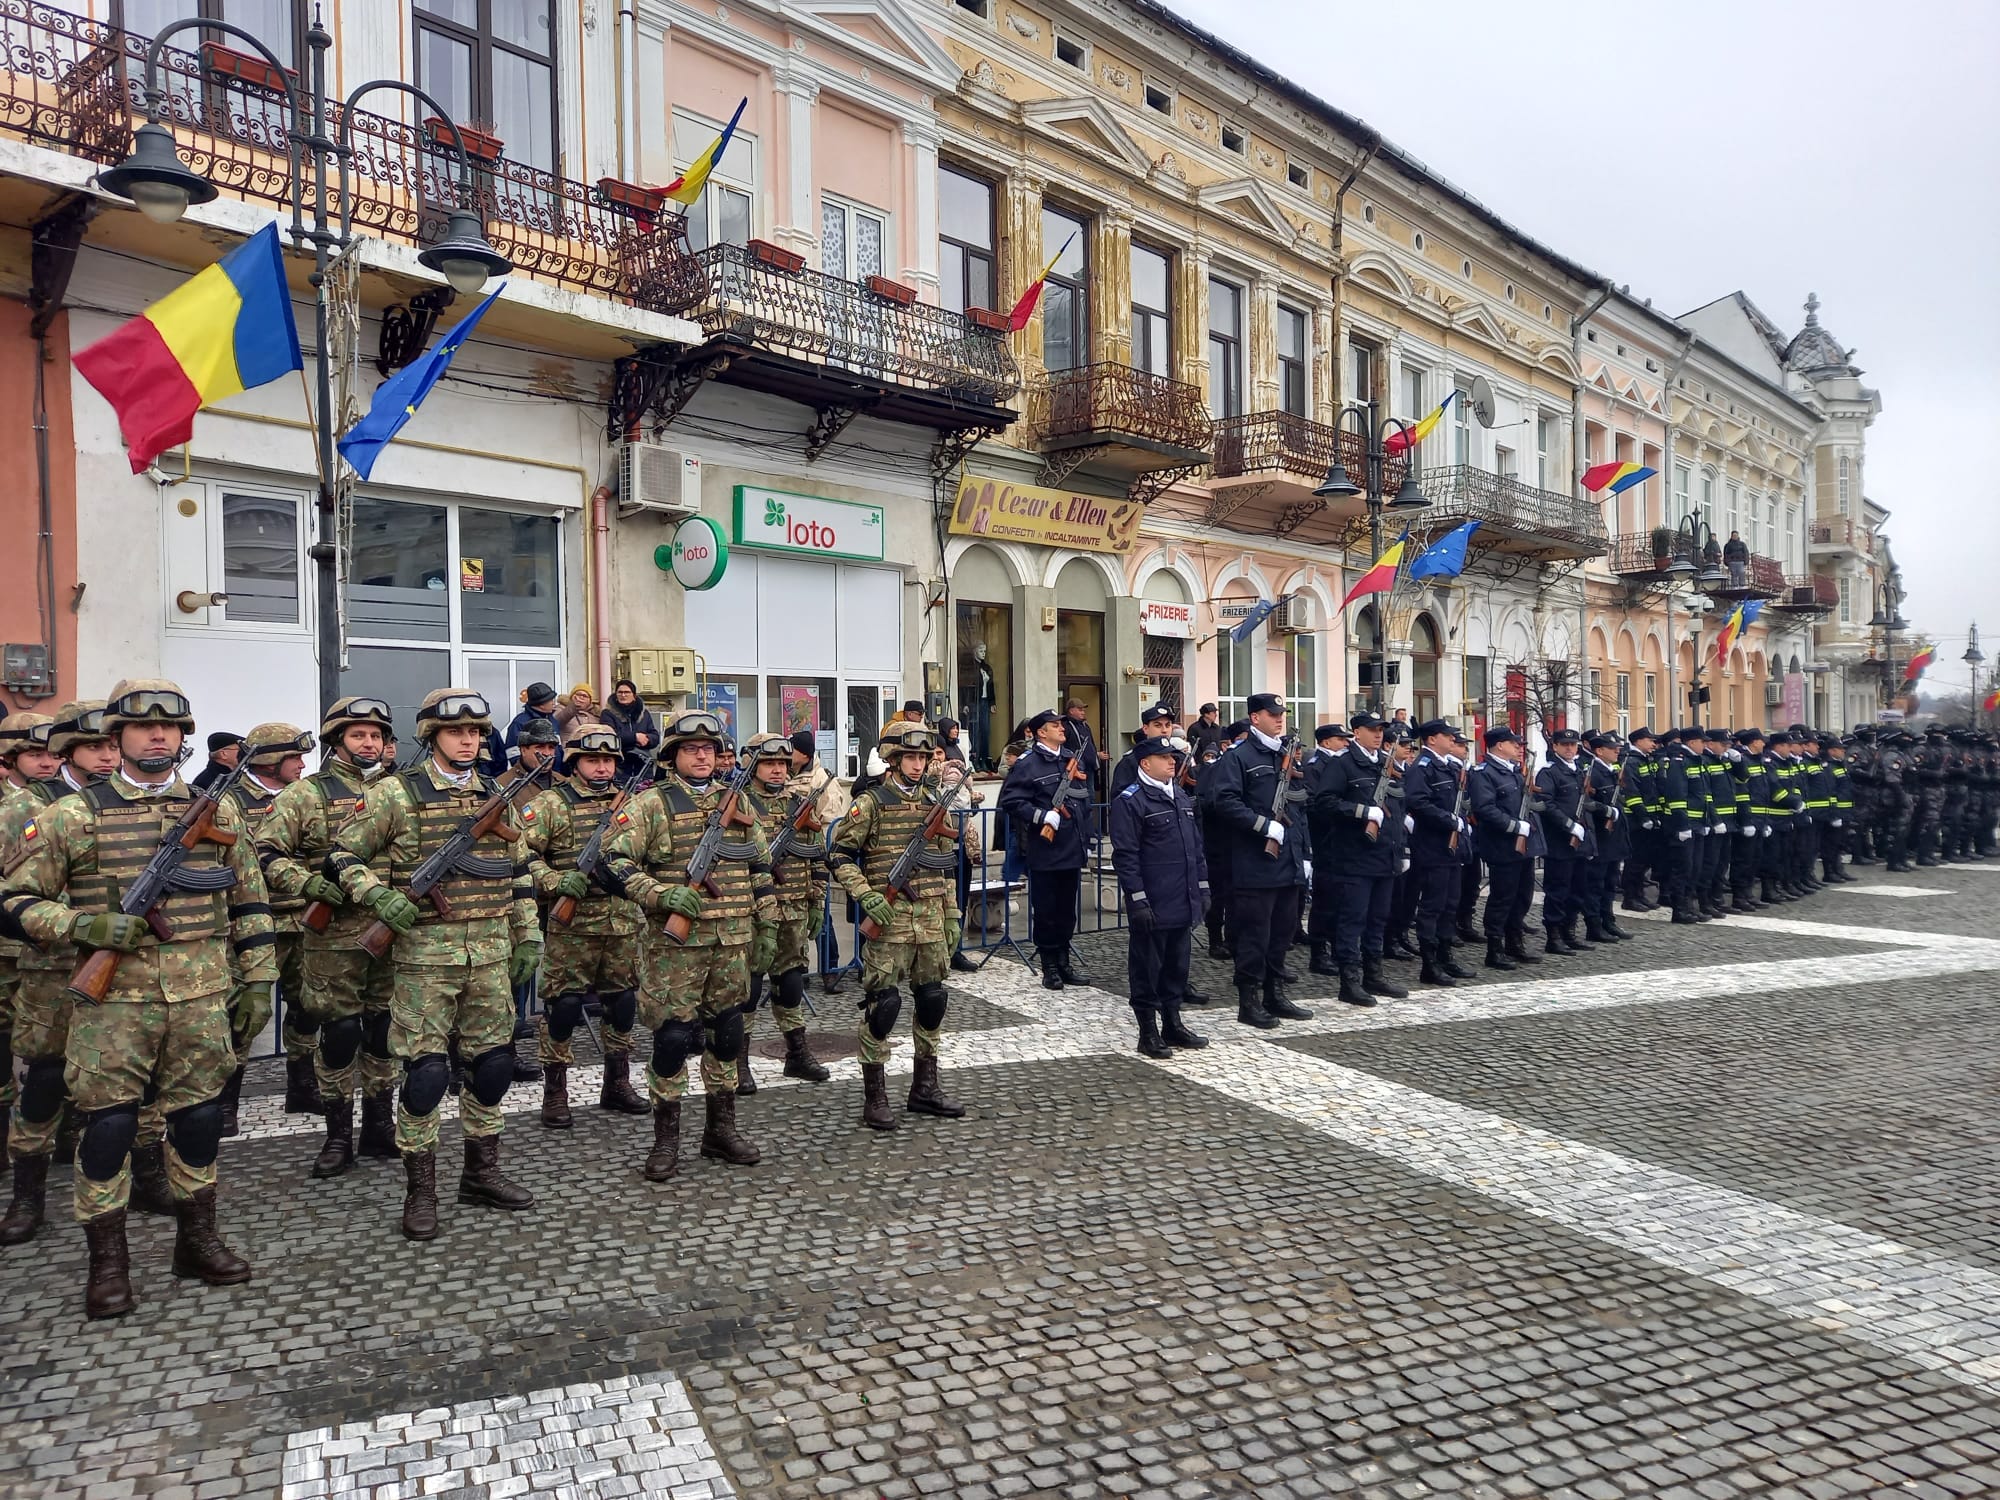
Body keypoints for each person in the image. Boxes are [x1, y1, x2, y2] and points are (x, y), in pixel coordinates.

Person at [0, 680, 271, 1317]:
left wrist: (259, 978)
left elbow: (249, 900)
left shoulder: (216, 811)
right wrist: (83, 926)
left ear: (183, 737)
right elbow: (14, 901)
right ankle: (109, 1264)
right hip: (114, 1005)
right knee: (110, 1128)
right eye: (143, 727)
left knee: (198, 1121)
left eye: (169, 728)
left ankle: (196, 1242)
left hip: (201, 996)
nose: (157, 736)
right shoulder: (72, 814)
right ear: (115, 738)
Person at [330, 688, 542, 1240]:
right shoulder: (395, 794)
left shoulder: (496, 794)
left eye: (474, 732)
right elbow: (342, 855)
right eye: (455, 732)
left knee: (492, 1066)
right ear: (432, 736)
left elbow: (518, 872)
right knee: (425, 1075)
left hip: (491, 956)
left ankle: (480, 1174)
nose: (467, 741)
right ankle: (420, 1191)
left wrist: (528, 936)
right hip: (426, 959)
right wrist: (378, 896)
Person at [602, 710, 775, 1182]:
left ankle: (720, 1130)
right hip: (675, 948)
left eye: (709, 749)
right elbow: (612, 861)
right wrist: (659, 895)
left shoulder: (738, 801)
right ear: (672, 755)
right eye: (691, 749)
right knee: (673, 1039)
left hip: (732, 940)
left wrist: (768, 925)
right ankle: (666, 1141)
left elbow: (760, 866)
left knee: (727, 1034)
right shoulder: (651, 804)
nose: (702, 756)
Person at [255, 696, 401, 1178]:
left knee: (383, 1032)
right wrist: (306, 884)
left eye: (376, 736)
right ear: (336, 741)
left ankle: (379, 1125)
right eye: (358, 735)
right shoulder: (304, 795)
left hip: (392, 932)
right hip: (333, 933)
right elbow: (266, 852)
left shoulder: (402, 791)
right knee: (339, 1034)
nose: (369, 743)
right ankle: (337, 1135)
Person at [0, 705, 108, 1243]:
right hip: (50, 959)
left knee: (115, 1076)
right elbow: (15, 892)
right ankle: (28, 1195)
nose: (107, 756)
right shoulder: (31, 807)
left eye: (111, 746)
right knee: (44, 1076)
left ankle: (130, 1177)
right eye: (95, 747)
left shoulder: (124, 802)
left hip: (118, 962)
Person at [828, 724, 968, 1129]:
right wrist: (865, 895)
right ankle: (875, 1097)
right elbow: (839, 855)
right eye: (910, 757)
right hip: (889, 922)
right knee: (883, 1007)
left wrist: (953, 915)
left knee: (932, 1000)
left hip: (931, 919)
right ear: (892, 760)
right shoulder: (871, 803)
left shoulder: (933, 802)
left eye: (923, 758)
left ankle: (925, 1088)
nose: (918, 765)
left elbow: (947, 867)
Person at [521, 723, 650, 1129]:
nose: (602, 768)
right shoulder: (550, 804)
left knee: (622, 1004)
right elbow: (522, 856)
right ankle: (555, 1091)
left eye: (608, 760)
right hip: (572, 925)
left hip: (622, 922)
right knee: (564, 1007)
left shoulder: (633, 803)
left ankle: (617, 1082)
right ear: (575, 762)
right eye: (593, 759)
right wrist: (554, 881)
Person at [220, 723, 318, 1132]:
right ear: (268, 760)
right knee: (244, 1014)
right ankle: (225, 1102)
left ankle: (302, 1086)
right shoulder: (229, 802)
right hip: (251, 926)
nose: (302, 765)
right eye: (293, 757)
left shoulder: (308, 797)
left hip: (304, 918)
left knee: (308, 1007)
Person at [1203, 693, 1313, 1029]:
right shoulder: (1239, 757)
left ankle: (1274, 993)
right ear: (1254, 718)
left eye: (1281, 714)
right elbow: (1224, 801)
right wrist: (1262, 825)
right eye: (1272, 714)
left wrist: (1304, 854)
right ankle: (1248, 1001)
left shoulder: (1283, 754)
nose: (1279, 719)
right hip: (1254, 863)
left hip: (1288, 862)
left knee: (1282, 934)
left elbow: (1297, 807)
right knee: (1254, 935)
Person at [738, 732, 831, 1091]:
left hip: (793, 908)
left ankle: (797, 1053)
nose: (778, 770)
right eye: (769, 763)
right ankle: (738, 1061)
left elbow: (818, 856)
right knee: (748, 987)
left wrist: (817, 901)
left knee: (790, 982)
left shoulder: (799, 804)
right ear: (752, 765)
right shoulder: (738, 805)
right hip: (750, 912)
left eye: (782, 763)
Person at [1110, 737, 1209, 1059]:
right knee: (1147, 967)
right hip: (1153, 899)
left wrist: (1203, 887)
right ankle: (1147, 1032)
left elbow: (1195, 849)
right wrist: (1137, 898)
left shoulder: (1178, 794)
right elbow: (1126, 856)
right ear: (1145, 763)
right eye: (1164, 757)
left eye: (1173, 757)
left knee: (1177, 966)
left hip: (1183, 897)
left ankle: (1172, 1023)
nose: (1172, 762)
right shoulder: (1131, 800)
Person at [1309, 712, 1406, 1006]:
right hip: (1354, 857)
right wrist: (1361, 812)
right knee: (1352, 921)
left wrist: (1401, 849)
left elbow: (1396, 810)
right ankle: (1349, 981)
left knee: (1378, 919)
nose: (1378, 734)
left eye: (1381, 730)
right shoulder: (1343, 763)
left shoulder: (1384, 763)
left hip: (1384, 856)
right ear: (1357, 732)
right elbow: (1323, 802)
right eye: (1372, 729)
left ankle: (1373, 974)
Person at [996, 710, 1090, 989]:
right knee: (1047, 911)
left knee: (1066, 912)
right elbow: (1011, 801)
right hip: (1046, 849)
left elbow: (1082, 798)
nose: (1061, 729)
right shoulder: (1028, 763)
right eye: (1055, 725)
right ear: (1041, 732)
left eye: (1062, 725)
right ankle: (1049, 965)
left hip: (1071, 846)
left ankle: (1064, 962)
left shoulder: (1070, 758)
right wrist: (1041, 816)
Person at [1401, 719, 1477, 988]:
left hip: (1451, 848)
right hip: (1432, 846)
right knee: (1432, 906)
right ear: (1432, 739)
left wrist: (1460, 820)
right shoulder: (1423, 767)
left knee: (1450, 904)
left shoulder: (1448, 766)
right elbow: (1417, 802)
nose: (1453, 740)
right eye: (1448, 736)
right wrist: (1448, 820)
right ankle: (1430, 964)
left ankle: (1446, 957)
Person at [1467, 727, 1543, 970]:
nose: (1518, 747)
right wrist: (1514, 826)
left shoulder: (1513, 771)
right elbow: (1484, 808)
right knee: (1502, 898)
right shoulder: (1484, 773)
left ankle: (1514, 942)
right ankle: (1495, 949)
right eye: (1513, 743)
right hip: (1502, 845)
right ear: (1499, 745)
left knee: (1522, 896)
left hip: (1523, 846)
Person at [1533, 728, 1594, 955]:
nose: (1569, 748)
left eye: (1573, 745)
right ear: (1555, 746)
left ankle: (1570, 932)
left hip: (1580, 840)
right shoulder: (1549, 773)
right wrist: (1568, 825)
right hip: (1559, 841)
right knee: (1558, 890)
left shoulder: (1579, 770)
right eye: (1564, 745)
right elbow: (1547, 804)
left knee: (1578, 889)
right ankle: (1554, 936)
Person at [1301, 722, 1351, 975]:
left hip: (1342, 841)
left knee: (1341, 900)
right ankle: (1319, 953)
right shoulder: (1315, 766)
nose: (1345, 743)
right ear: (1326, 742)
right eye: (1340, 739)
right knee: (1324, 901)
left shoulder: (1340, 764)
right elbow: (1313, 804)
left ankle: (1337, 948)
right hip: (1324, 840)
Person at [1580, 732, 1632, 942]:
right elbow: (1586, 802)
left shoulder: (1611, 771)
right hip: (1600, 836)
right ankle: (1594, 925)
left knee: (1610, 882)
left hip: (1614, 837)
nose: (1617, 752)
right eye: (1612, 749)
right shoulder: (1592, 772)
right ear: (1599, 751)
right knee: (1596, 883)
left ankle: (1608, 921)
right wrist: (1607, 811)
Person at [1110, 704, 1177, 797]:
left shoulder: (1178, 756)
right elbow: (1121, 799)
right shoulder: (1131, 761)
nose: (1164, 730)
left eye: (1168, 725)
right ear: (1145, 729)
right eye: (1158, 725)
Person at [600, 678, 659, 781]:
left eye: (627, 692)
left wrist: (647, 739)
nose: (623, 695)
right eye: (620, 692)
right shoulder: (607, 714)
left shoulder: (644, 714)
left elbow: (655, 736)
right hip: (619, 768)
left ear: (634, 696)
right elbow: (609, 737)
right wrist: (635, 738)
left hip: (643, 769)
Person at [505, 683, 565, 773]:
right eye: (551, 700)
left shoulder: (553, 721)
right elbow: (513, 754)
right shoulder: (519, 723)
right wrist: (528, 772)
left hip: (554, 775)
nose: (554, 703)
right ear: (541, 704)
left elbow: (558, 748)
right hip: (530, 776)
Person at [1061, 700, 1100, 790]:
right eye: (1080, 710)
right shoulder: (1065, 726)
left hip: (1089, 768)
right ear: (1071, 711)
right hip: (1075, 769)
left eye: (1083, 710)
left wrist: (1096, 757)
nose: (1083, 712)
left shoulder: (1085, 726)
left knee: (1090, 795)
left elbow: (1091, 744)